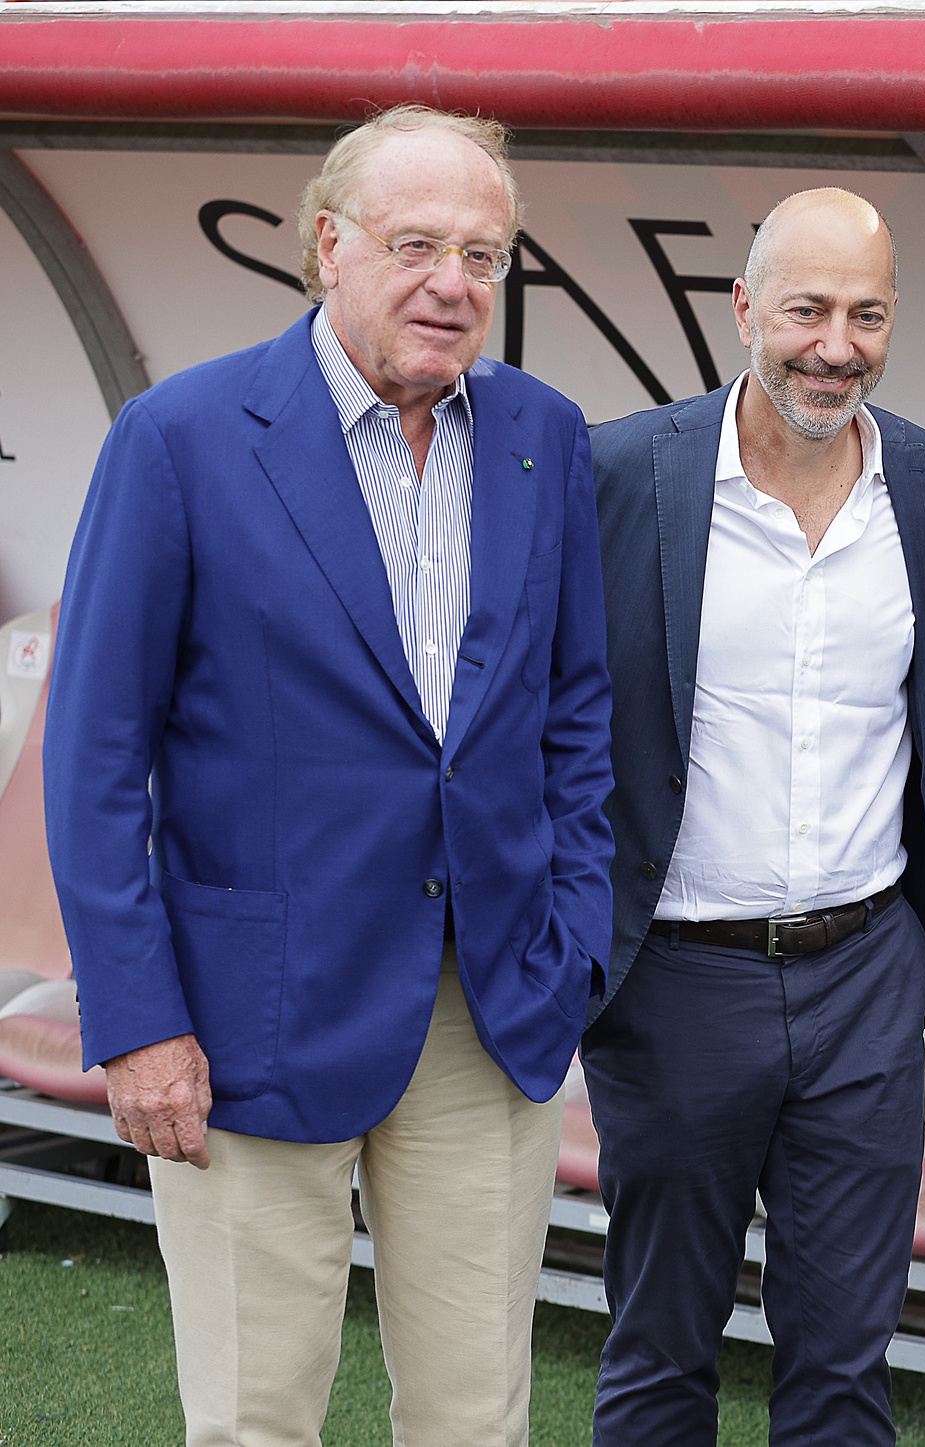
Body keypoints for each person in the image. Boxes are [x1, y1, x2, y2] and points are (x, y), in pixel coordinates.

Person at [43, 105, 614, 1444]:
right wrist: (136, 1020)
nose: (451, 282)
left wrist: (570, 941)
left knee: (476, 1417)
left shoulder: (542, 433)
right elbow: (96, 756)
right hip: (246, 1018)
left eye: (485, 253)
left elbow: (576, 712)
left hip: (488, 1010)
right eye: (415, 243)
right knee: (253, 1417)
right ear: (325, 246)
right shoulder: (180, 438)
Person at [583, 187, 925, 1447]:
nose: (835, 344)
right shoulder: (621, 474)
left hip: (866, 981)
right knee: (661, 1351)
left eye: (865, 314)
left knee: (843, 1363)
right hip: (677, 983)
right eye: (807, 308)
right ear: (745, 307)